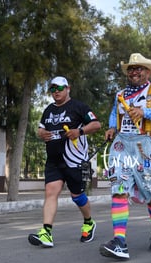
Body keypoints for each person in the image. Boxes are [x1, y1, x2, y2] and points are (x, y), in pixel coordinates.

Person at [100, 53, 151, 260]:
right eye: (131, 69)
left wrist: (145, 112)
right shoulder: (120, 94)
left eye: (138, 68)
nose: (134, 72)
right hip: (121, 145)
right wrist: (111, 128)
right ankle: (119, 242)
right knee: (118, 188)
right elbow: (113, 114)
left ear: (147, 72)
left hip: (147, 146)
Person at [28, 76, 101, 248]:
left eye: (59, 88)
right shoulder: (48, 110)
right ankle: (46, 232)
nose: (56, 92)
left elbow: (96, 124)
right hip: (53, 161)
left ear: (68, 88)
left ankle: (89, 222)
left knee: (77, 196)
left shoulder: (79, 107)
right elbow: (40, 128)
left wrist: (80, 131)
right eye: (52, 89)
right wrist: (41, 134)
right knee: (50, 193)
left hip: (74, 161)